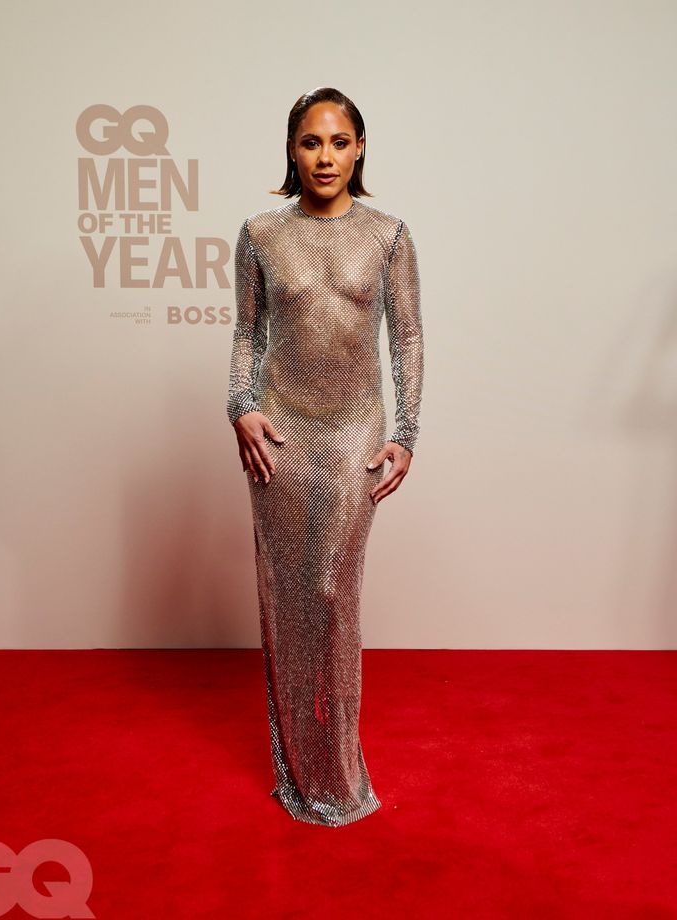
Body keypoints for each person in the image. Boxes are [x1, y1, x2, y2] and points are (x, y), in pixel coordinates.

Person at [226, 86, 424, 826]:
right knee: (287, 598)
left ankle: (339, 773)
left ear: (361, 148)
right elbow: (247, 334)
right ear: (292, 149)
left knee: (332, 595)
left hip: (352, 432)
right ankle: (298, 775)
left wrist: (407, 431)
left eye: (339, 142)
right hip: (280, 431)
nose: (326, 157)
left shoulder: (389, 234)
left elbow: (406, 337)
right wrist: (240, 407)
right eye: (312, 142)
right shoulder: (259, 234)